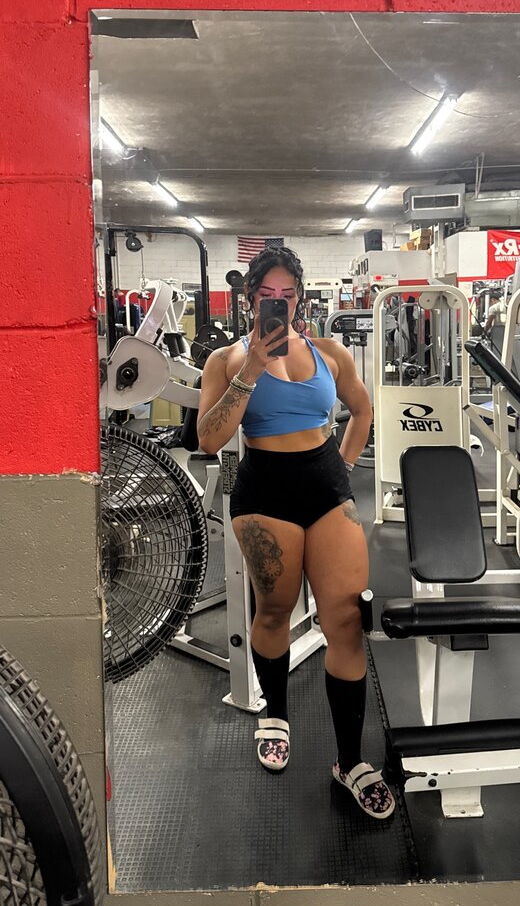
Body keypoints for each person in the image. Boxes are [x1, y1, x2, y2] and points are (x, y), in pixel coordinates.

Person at [197, 245, 395, 820]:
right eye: (268, 295)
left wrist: (345, 467)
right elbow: (208, 439)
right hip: (265, 491)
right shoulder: (225, 361)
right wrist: (253, 369)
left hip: (326, 487)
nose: (278, 304)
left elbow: (363, 410)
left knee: (347, 621)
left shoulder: (330, 353)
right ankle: (275, 713)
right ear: (250, 299)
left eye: (287, 295)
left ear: (300, 299)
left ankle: (350, 761)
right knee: (274, 612)